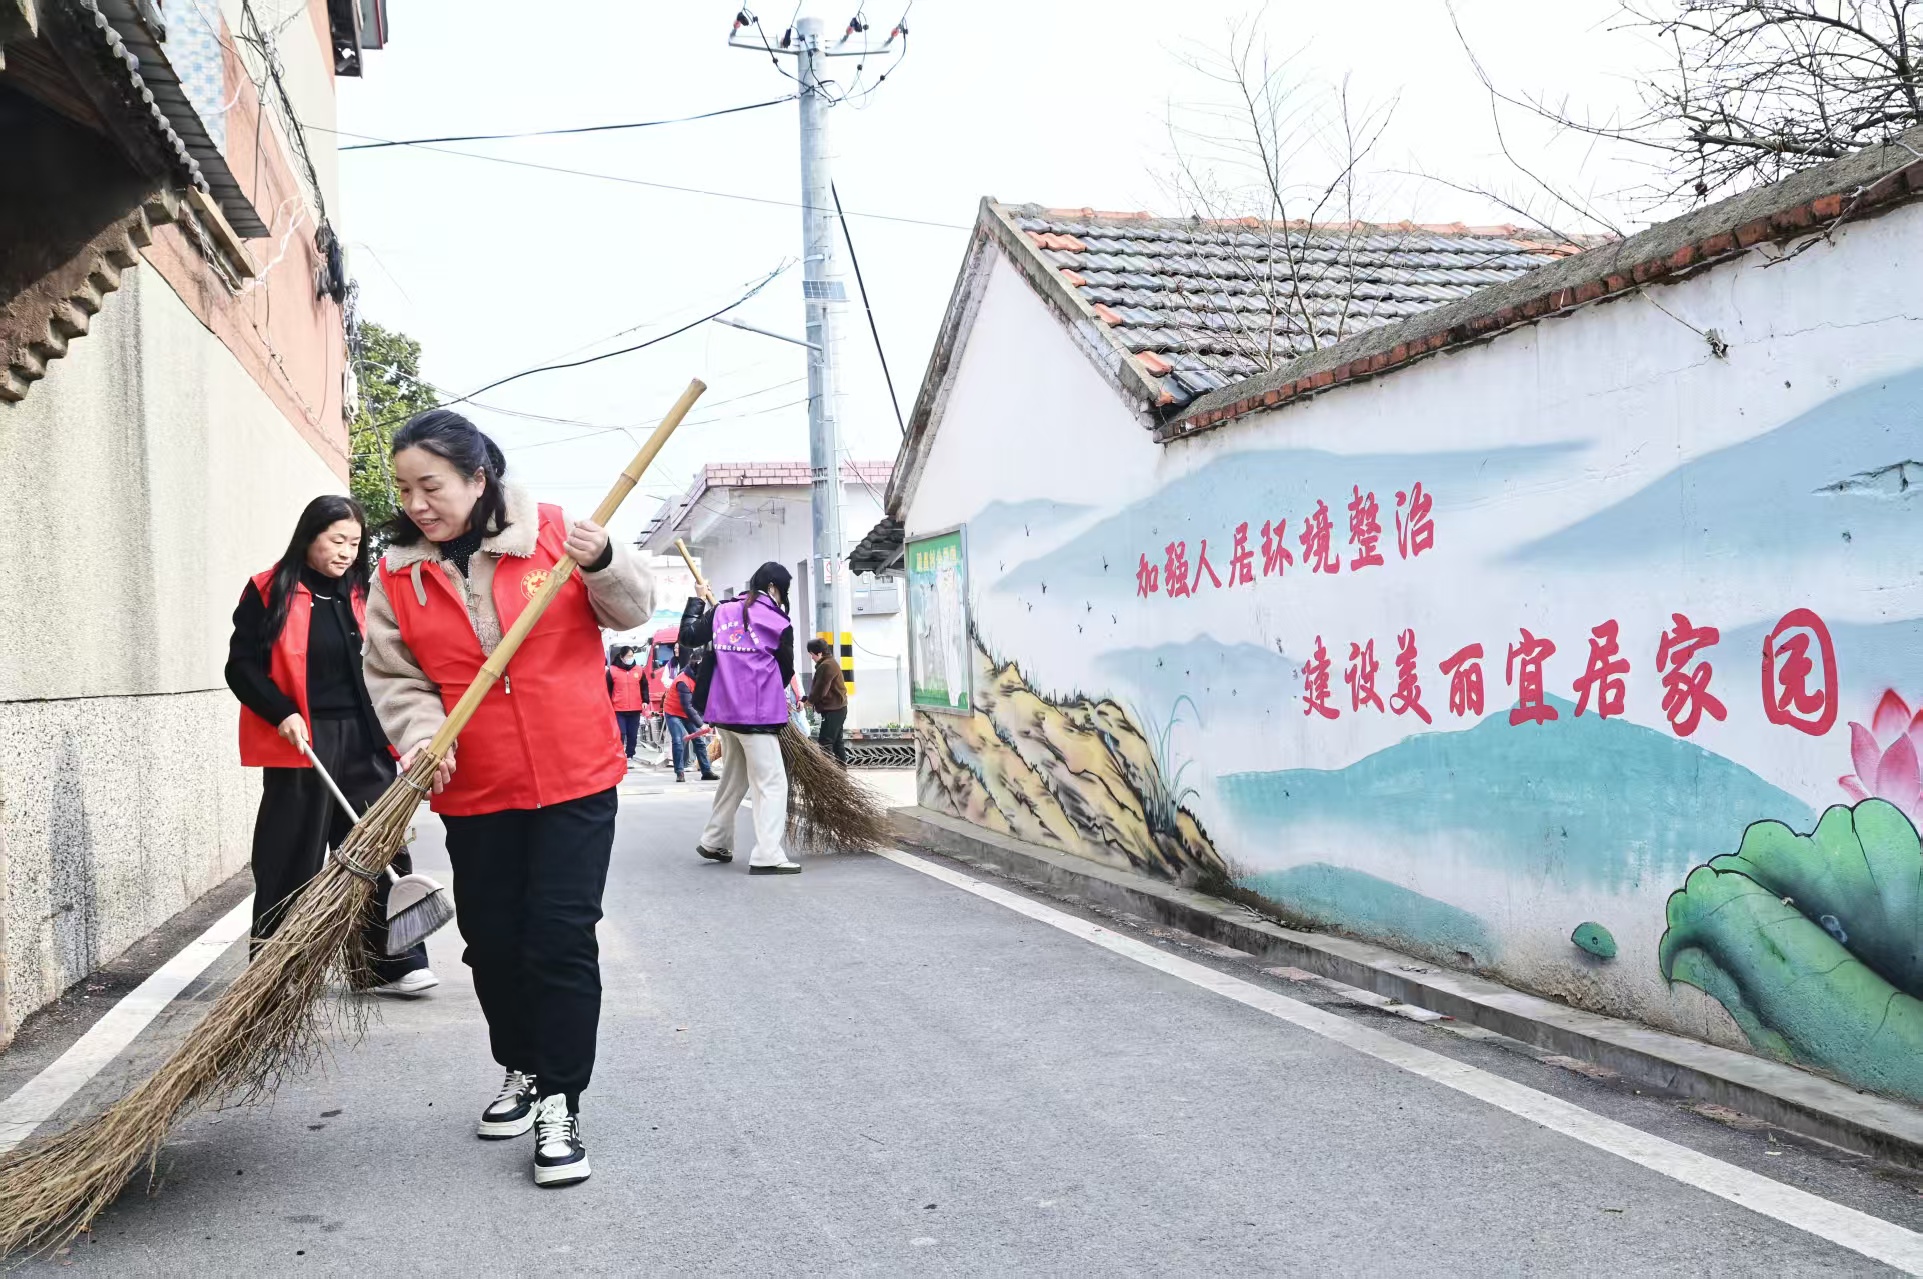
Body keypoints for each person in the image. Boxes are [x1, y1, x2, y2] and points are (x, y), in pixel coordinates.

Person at [362, 408, 653, 1189]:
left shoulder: (556, 533)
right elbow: (393, 675)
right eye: (406, 488)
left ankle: (561, 1098)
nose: (418, 502)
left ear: (477, 477)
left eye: (433, 485)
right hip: (475, 782)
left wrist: (606, 561)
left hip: (574, 776)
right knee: (492, 939)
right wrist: (423, 735)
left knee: (559, 936)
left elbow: (634, 609)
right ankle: (520, 1066)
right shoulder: (396, 572)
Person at [224, 495, 437, 997]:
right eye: (336, 540)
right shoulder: (267, 590)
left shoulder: (366, 592)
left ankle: (389, 963)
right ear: (309, 536)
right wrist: (282, 712)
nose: (346, 551)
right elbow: (241, 666)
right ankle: (277, 969)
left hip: (366, 739)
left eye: (354, 542)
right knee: (290, 854)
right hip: (302, 742)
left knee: (378, 847)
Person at [681, 562, 801, 874]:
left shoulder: (721, 611)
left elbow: (688, 637)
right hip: (758, 714)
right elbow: (786, 669)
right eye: (783, 590)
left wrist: (697, 600)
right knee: (771, 783)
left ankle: (715, 839)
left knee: (735, 776)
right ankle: (767, 853)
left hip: (724, 714)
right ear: (774, 587)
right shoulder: (777, 621)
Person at [661, 650, 717, 783]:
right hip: (674, 712)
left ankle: (706, 771)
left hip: (690, 713)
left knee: (699, 741)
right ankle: (679, 772)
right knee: (678, 740)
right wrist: (701, 724)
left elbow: (706, 700)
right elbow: (688, 706)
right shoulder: (683, 680)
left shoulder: (703, 678)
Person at [803, 637, 849, 766]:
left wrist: (809, 702)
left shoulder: (827, 665)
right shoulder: (829, 663)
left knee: (825, 742)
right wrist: (807, 698)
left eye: (811, 654)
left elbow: (820, 689)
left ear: (819, 653)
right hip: (838, 709)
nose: (811, 657)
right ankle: (841, 775)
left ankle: (829, 774)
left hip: (834, 711)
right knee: (836, 742)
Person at [607, 645, 646, 765]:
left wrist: (645, 701)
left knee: (632, 734)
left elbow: (644, 687)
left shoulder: (639, 670)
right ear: (622, 657)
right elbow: (607, 689)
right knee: (621, 733)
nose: (631, 658)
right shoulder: (612, 671)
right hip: (618, 708)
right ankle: (619, 755)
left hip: (635, 707)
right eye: (628, 656)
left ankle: (630, 755)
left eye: (632, 656)